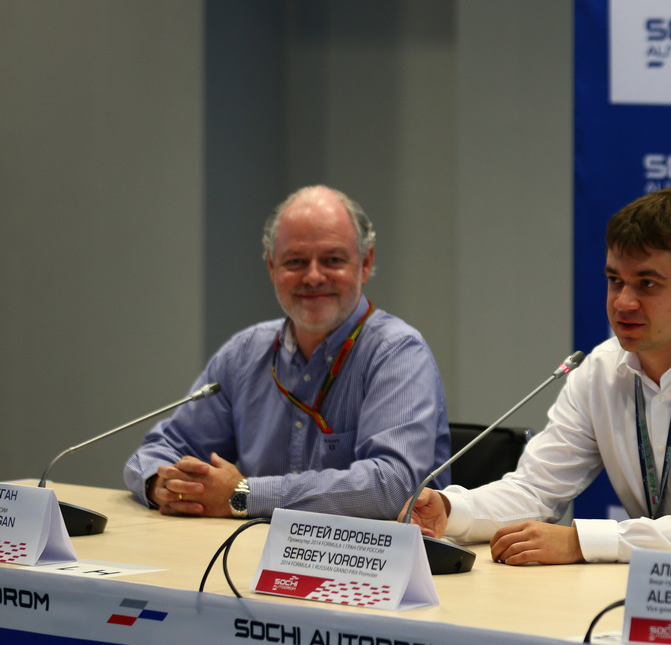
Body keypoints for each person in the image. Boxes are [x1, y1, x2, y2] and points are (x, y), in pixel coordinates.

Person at [401, 186, 671, 565]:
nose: (623, 302)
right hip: (657, 595)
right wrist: (451, 510)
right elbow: (535, 490)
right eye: (614, 280)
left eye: (647, 284)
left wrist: (585, 542)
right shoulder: (600, 369)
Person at [124, 185, 450, 520]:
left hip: (367, 566)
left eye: (332, 260)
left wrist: (244, 496)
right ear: (271, 267)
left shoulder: (397, 353)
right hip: (252, 557)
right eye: (295, 261)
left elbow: (393, 486)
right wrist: (162, 485)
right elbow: (157, 451)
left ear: (365, 264)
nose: (312, 276)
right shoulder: (244, 354)